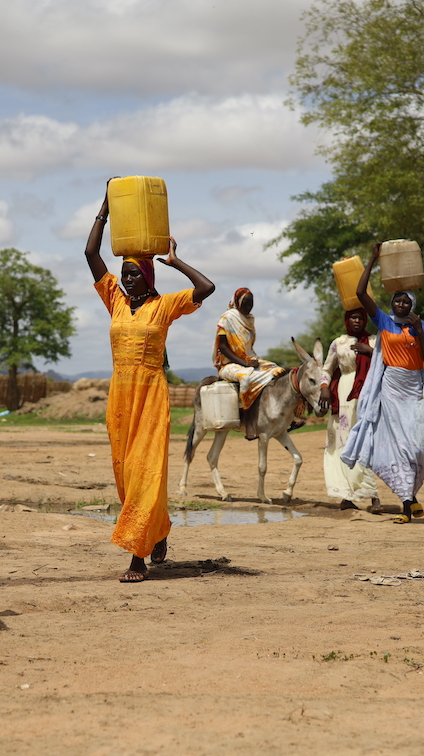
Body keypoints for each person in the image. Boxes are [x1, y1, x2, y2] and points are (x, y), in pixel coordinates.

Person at [86, 184, 214, 583]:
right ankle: (158, 531)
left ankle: (137, 557)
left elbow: (206, 289)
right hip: (120, 397)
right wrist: (105, 209)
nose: (126, 280)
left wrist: (176, 262)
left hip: (151, 396)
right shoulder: (115, 300)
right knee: (125, 474)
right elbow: (91, 254)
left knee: (147, 472)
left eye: (133, 275)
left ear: (147, 277)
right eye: (123, 274)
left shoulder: (165, 305)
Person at [340, 242, 424, 523]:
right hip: (391, 388)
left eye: (406, 302)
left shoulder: (422, 326)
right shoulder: (385, 321)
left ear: (412, 305)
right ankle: (407, 504)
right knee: (396, 445)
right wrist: (372, 259)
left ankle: (412, 495)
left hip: (413, 390)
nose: (401, 304)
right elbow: (360, 293)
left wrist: (418, 331)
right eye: (397, 301)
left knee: (417, 444)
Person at [318, 307, 382, 512]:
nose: (357, 321)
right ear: (347, 320)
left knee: (366, 442)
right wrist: (325, 388)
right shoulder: (339, 343)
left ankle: (373, 496)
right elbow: (327, 369)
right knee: (343, 444)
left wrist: (370, 352)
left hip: (369, 394)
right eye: (353, 317)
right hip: (344, 395)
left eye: (360, 317)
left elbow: (388, 362)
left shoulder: (374, 341)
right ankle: (346, 496)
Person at [213, 288, 284, 439]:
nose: (248, 307)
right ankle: (249, 421)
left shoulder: (250, 319)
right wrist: (245, 363)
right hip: (228, 365)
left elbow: (248, 347)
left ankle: (282, 414)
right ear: (238, 302)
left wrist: (250, 361)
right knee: (246, 378)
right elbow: (223, 348)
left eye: (251, 303)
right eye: (245, 303)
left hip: (249, 360)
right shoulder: (227, 318)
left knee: (278, 371)